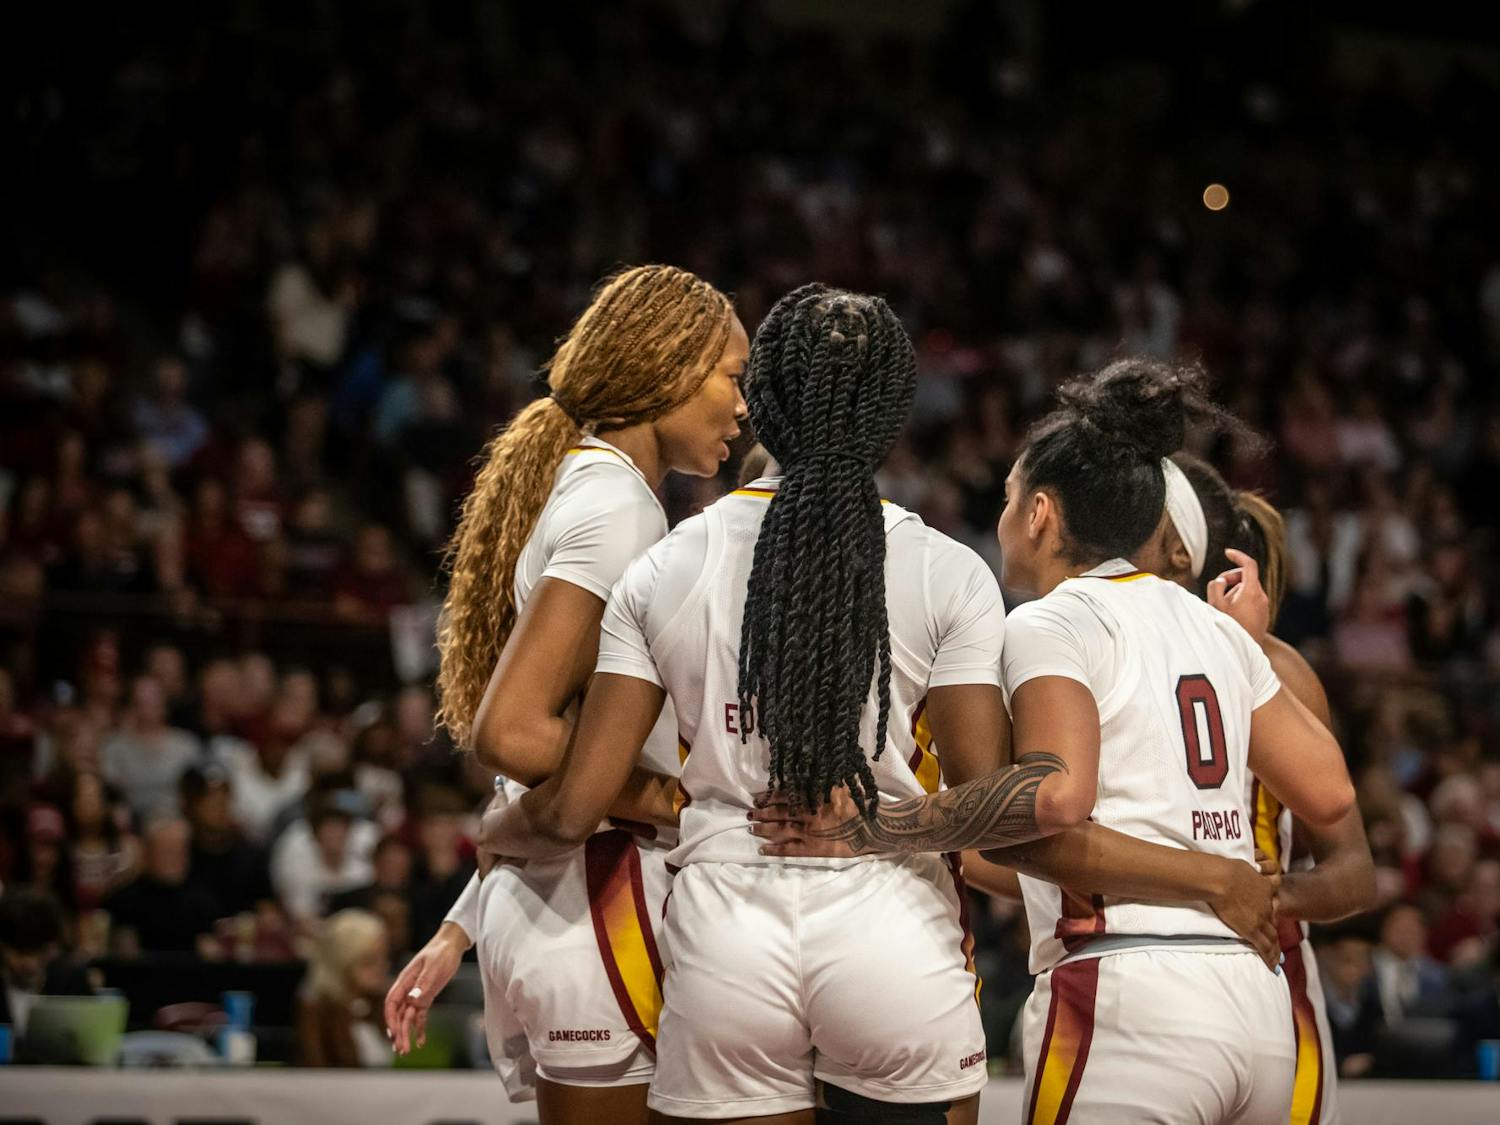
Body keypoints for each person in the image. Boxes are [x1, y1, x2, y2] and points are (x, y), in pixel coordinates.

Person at [475, 293, 1278, 1124]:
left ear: (768, 405)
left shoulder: (662, 565)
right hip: (891, 925)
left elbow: (574, 806)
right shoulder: (945, 567)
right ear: (893, 416)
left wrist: (497, 832)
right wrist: (876, 825)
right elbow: (997, 807)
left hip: (727, 934)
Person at [755, 358, 1356, 1123]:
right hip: (1255, 1000)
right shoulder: (1217, 629)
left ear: (1040, 512)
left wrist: (871, 825)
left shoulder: (1053, 618)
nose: (1002, 514)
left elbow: (1054, 795)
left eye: (1007, 497)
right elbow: (1331, 788)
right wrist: (1246, 658)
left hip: (1130, 991)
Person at [385, 264, 747, 1125]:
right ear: (666, 366)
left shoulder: (596, 487)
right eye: (732, 377)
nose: (743, 406)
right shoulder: (620, 507)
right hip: (600, 897)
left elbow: (551, 754)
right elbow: (508, 732)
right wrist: (673, 796)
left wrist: (459, 924)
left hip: (565, 891)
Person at [1136, 455, 1377, 1125]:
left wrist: (1270, 892)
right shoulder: (1115, 642)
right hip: (1148, 958)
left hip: (1267, 971)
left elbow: (1355, 872)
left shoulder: (1276, 667)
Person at [0, 887, 93, 1050]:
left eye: (39, 952)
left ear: (53, 947)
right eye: (21, 952)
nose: (30, 963)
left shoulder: (71, 980)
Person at [296, 908, 392, 1067]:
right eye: (369, 961)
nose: (381, 967)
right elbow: (315, 1069)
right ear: (344, 961)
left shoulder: (380, 1002)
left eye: (384, 958)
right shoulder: (316, 1008)